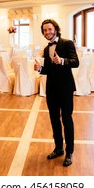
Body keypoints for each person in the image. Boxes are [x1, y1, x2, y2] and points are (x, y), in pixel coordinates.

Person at [34, 19, 79, 167]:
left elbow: (75, 62)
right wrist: (40, 69)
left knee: (66, 120)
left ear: (56, 29)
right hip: (51, 89)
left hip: (65, 88)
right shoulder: (47, 49)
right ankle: (58, 148)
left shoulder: (67, 43)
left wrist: (62, 61)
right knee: (54, 120)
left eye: (50, 29)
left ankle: (69, 152)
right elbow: (48, 69)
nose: (48, 32)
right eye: (45, 30)